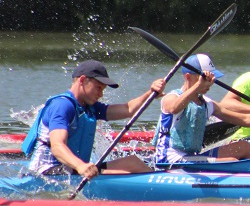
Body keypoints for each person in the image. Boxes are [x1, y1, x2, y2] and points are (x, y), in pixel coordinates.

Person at [24, 60, 166, 178]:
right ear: (83, 80)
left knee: (133, 163)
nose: (101, 94)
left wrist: (151, 93)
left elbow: (128, 109)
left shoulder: (90, 107)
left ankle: (160, 188)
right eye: (98, 88)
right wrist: (80, 165)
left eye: (103, 89)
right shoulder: (62, 105)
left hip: (74, 171)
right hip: (47, 174)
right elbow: (57, 146)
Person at [153, 53, 250, 164]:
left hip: (191, 157)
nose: (210, 83)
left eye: (212, 79)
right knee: (230, 161)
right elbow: (174, 108)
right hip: (168, 160)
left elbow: (244, 119)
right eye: (206, 79)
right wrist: (198, 86)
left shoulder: (207, 104)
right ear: (188, 77)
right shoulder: (171, 97)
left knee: (243, 147)